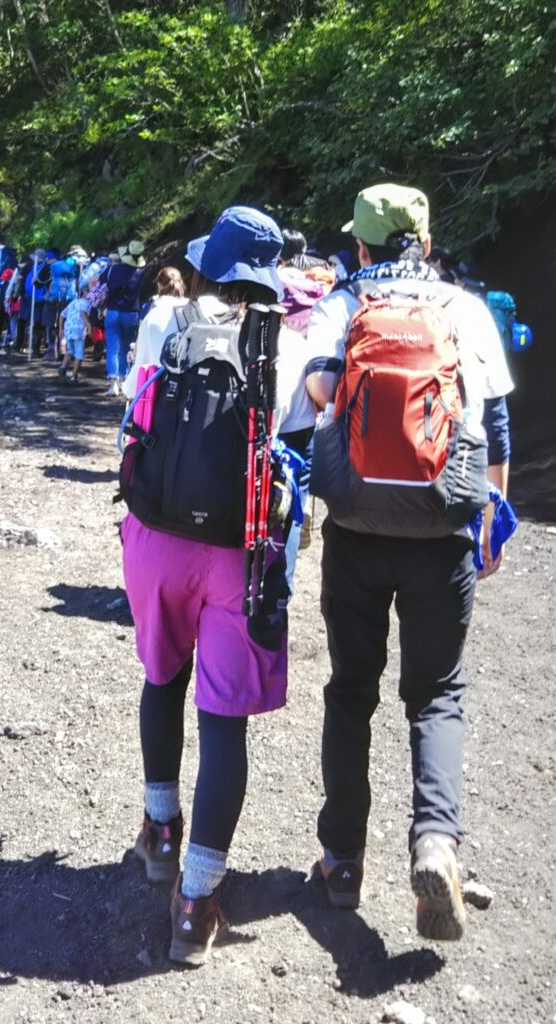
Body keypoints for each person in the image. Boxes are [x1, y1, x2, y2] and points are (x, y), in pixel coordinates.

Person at [304, 183, 513, 941]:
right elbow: (494, 420)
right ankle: (434, 843)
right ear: (424, 242)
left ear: (359, 246)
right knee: (436, 695)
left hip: (356, 528)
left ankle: (341, 860)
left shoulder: (343, 304)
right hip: (442, 531)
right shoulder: (464, 308)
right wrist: (490, 521)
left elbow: (320, 393)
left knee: (349, 692)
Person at [122, 207, 308, 966]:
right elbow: (292, 449)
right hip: (242, 553)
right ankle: (195, 903)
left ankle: (159, 831)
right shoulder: (289, 346)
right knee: (223, 721)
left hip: (157, 537)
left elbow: (129, 419)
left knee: (162, 678)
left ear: (206, 264)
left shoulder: (160, 322)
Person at [122, 266, 186, 399]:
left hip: (158, 387)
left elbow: (142, 359)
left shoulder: (153, 314)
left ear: (159, 285)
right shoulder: (192, 310)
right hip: (187, 387)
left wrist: (128, 388)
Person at [102, 240, 146, 396]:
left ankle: (112, 385)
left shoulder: (113, 269)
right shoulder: (141, 272)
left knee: (112, 348)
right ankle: (123, 381)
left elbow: (99, 284)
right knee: (127, 348)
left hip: (113, 311)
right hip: (131, 313)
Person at [57, 285, 92, 383]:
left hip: (69, 329)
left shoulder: (73, 302)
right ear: (84, 292)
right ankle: (74, 375)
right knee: (79, 354)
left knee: (70, 350)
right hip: (78, 330)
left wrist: (61, 329)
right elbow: (83, 314)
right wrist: (89, 326)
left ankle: (63, 366)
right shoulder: (86, 303)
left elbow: (62, 314)